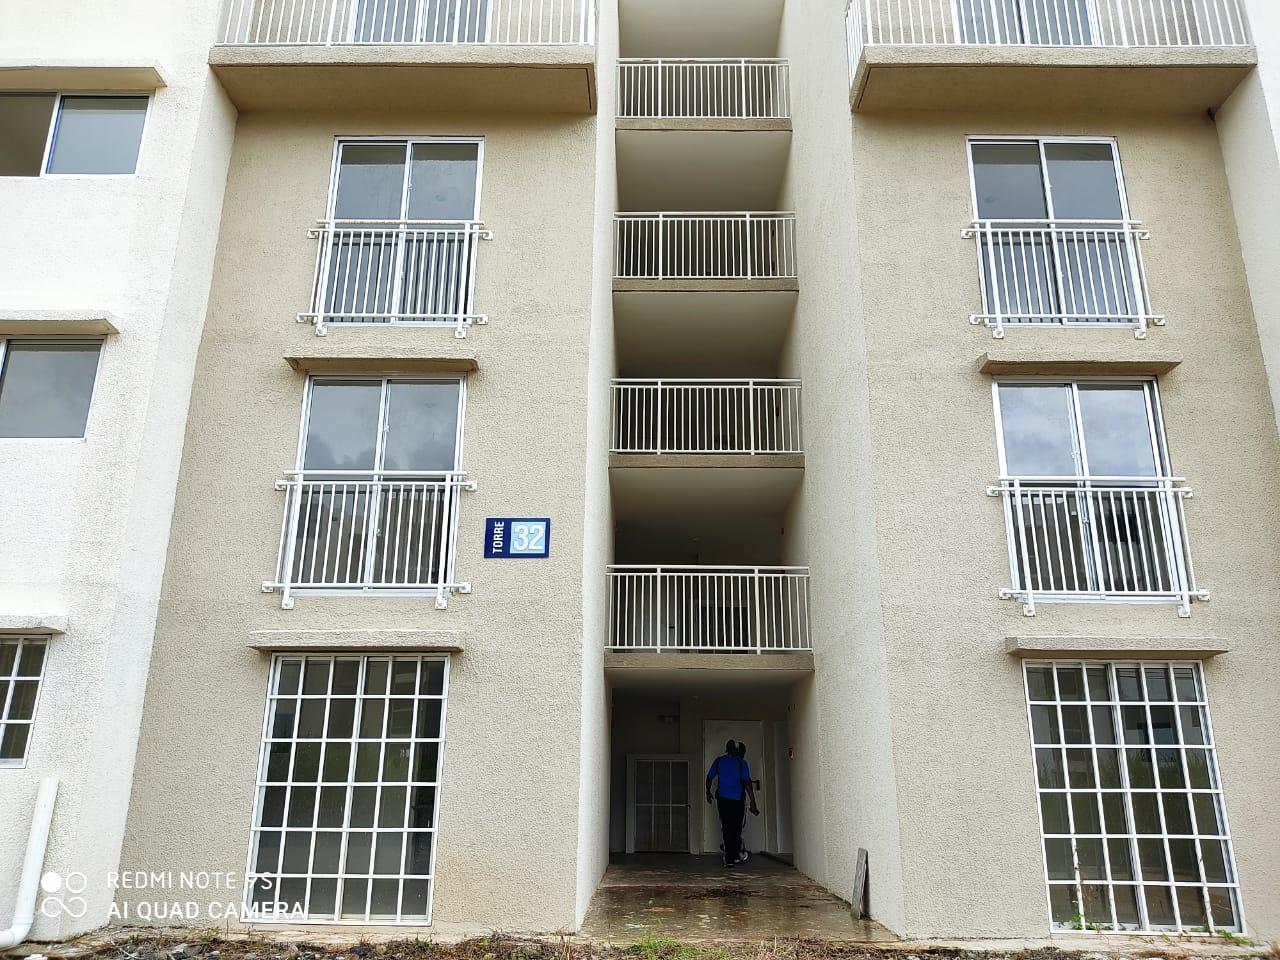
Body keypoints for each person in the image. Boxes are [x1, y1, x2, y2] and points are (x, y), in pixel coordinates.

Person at [706, 739, 759, 867]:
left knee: (726, 826)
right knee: (737, 827)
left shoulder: (719, 761)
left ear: (726, 750)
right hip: (737, 800)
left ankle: (730, 857)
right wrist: (753, 801)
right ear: (737, 751)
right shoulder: (741, 762)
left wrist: (708, 792)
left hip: (723, 799)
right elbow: (747, 782)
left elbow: (709, 777)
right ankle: (734, 854)